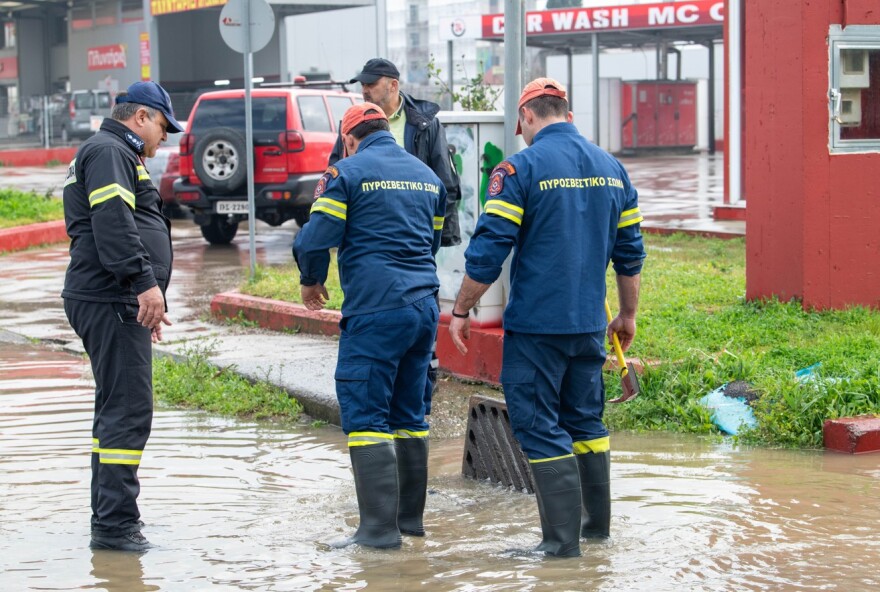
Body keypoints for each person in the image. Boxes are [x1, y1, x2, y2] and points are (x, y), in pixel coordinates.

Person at [448, 78, 646, 557]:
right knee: (586, 424)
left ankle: (560, 548)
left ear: (528, 118)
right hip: (588, 329)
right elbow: (630, 254)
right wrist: (627, 315)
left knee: (538, 426)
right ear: (568, 114)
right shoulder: (612, 169)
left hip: (537, 327)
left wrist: (461, 308)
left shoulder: (520, 168)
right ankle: (595, 535)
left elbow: (489, 250)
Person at [294, 102, 447, 549]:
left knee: (365, 415)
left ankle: (377, 533)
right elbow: (432, 241)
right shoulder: (428, 177)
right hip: (423, 310)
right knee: (409, 416)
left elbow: (316, 236)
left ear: (348, 139)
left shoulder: (346, 174)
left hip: (376, 310)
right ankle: (410, 524)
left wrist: (311, 280)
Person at [62, 81, 184, 552]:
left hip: (111, 298)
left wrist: (145, 296)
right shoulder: (111, 151)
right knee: (129, 412)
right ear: (141, 117)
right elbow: (113, 222)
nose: (165, 139)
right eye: (162, 127)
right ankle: (115, 529)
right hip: (111, 297)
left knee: (116, 410)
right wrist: (143, 285)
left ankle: (110, 519)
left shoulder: (108, 151)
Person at [331, 57, 461, 417]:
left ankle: (420, 399)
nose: (364, 91)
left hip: (415, 240)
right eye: (362, 85)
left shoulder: (424, 123)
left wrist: (434, 243)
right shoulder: (355, 127)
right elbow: (336, 174)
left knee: (415, 335)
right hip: (372, 250)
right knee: (394, 329)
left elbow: (445, 184)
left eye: (370, 85)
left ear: (393, 85)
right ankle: (403, 410)